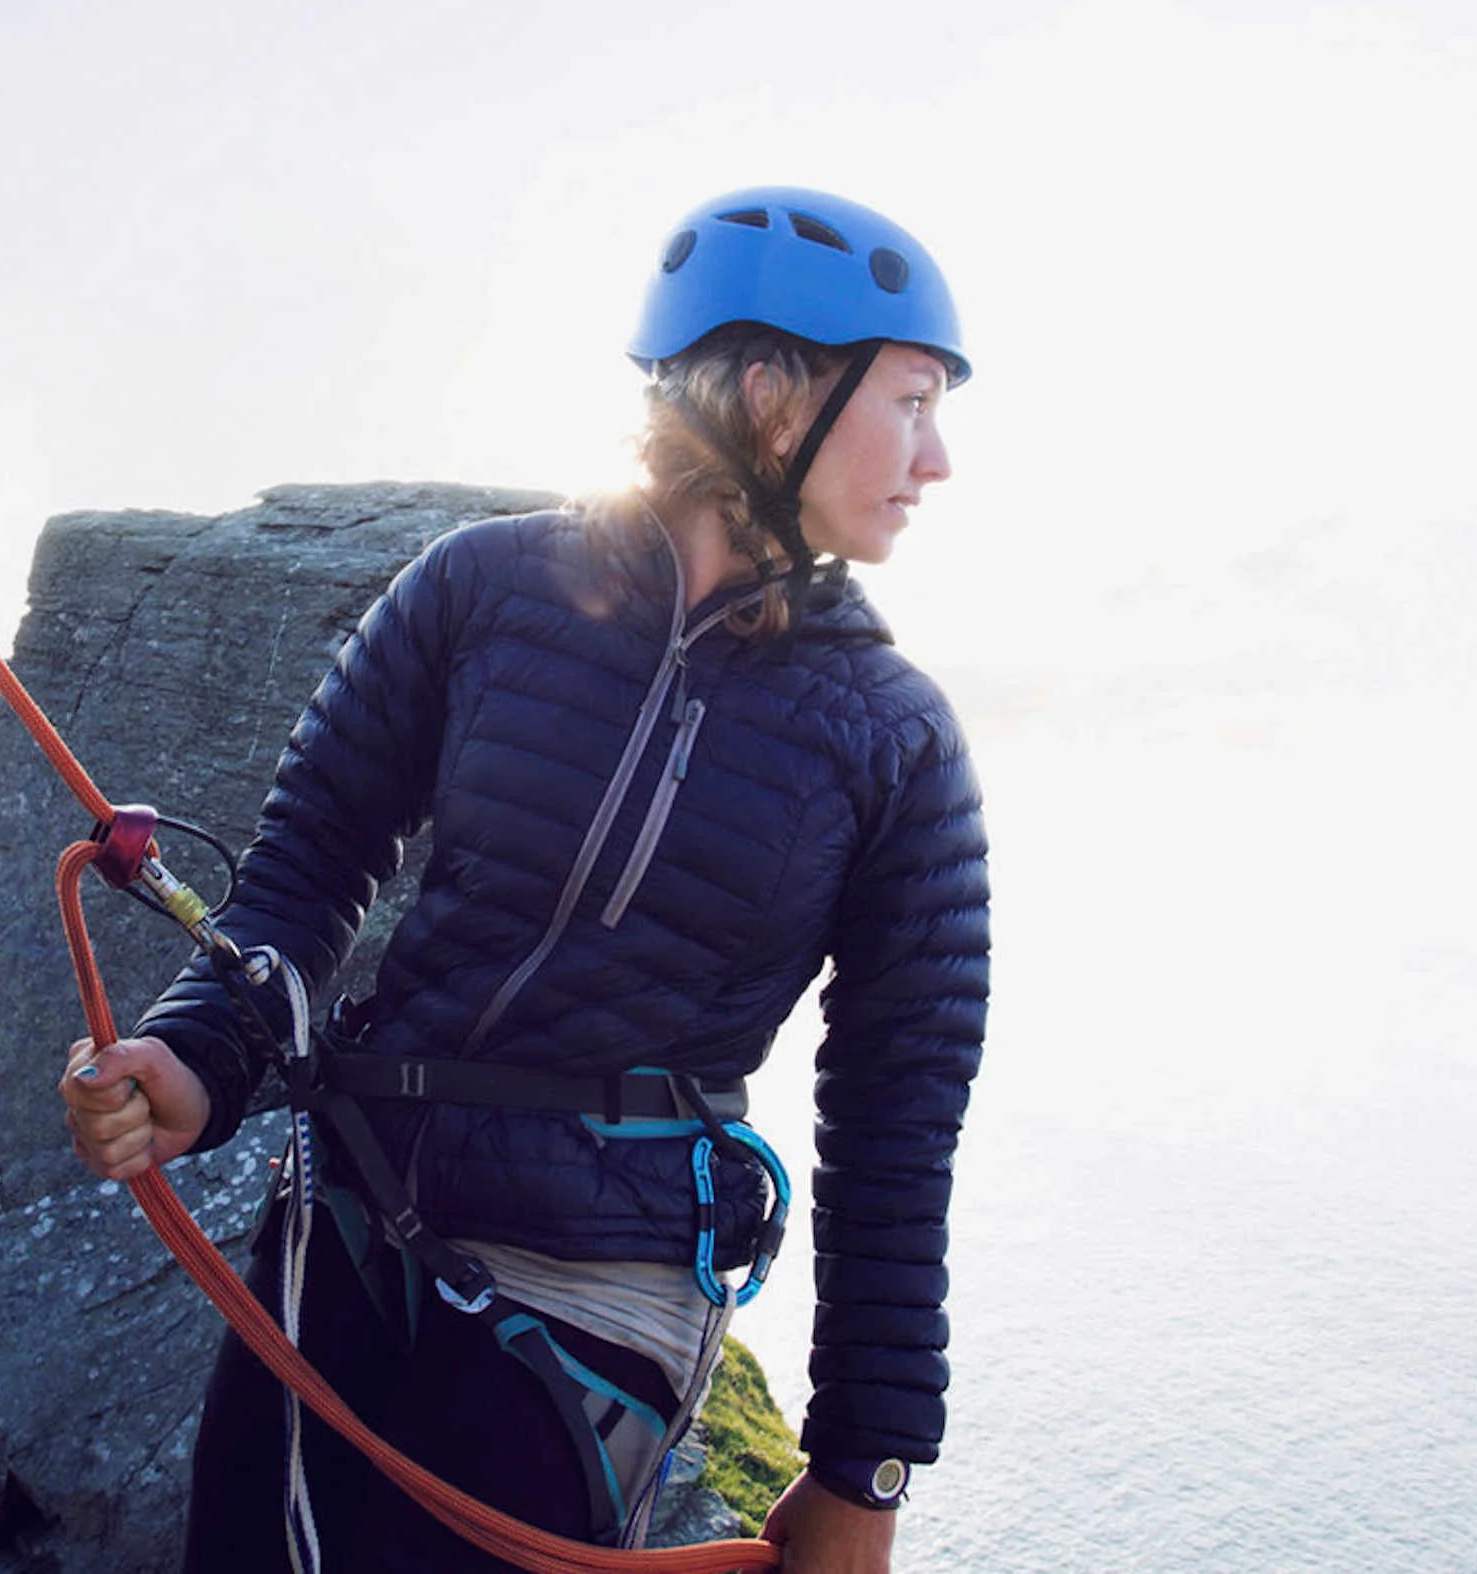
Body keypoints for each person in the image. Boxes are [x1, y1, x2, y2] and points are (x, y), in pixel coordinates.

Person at [59, 185, 989, 1574]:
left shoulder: (896, 741)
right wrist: (199, 1057)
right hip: (349, 1226)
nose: (938, 460)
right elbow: (311, 862)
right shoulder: (482, 588)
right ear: (774, 390)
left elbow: (899, 1125)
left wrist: (866, 1462)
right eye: (912, 401)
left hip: (584, 1313)